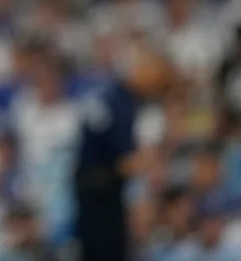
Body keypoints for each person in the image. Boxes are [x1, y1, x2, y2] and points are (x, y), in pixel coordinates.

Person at [73, 52, 172, 261]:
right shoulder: (120, 104)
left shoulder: (112, 96)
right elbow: (125, 163)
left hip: (91, 192)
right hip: (101, 196)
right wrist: (155, 160)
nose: (157, 83)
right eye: (156, 75)